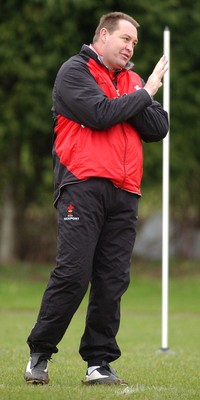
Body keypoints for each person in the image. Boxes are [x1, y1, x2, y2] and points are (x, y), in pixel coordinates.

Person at [24, 11, 168, 386]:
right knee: (74, 274)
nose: (130, 47)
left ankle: (98, 363)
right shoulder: (74, 72)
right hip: (82, 185)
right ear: (103, 35)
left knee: (112, 280)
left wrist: (135, 97)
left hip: (126, 191)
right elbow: (101, 114)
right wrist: (145, 94)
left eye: (134, 43)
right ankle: (40, 352)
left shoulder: (131, 80)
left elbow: (157, 127)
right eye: (125, 39)